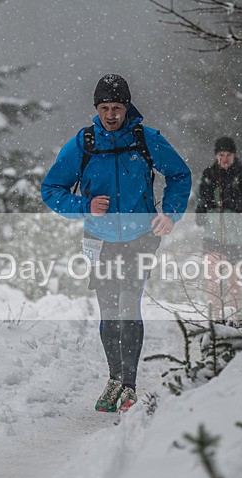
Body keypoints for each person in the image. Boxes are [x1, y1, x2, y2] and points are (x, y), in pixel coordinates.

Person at [41, 74, 191, 413]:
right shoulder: (85, 143)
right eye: (105, 108)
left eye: (117, 108)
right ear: (97, 109)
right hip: (100, 239)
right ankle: (114, 379)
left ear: (127, 107)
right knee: (109, 310)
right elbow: (51, 189)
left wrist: (170, 214)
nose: (111, 115)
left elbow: (179, 174)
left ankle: (130, 385)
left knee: (128, 305)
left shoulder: (145, 139)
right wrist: (85, 206)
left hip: (141, 238)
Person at [195, 136, 242, 321]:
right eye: (221, 155)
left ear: (234, 155)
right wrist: (201, 211)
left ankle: (235, 320)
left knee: (234, 283)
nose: (224, 159)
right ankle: (214, 320)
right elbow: (198, 198)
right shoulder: (208, 175)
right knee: (212, 280)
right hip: (212, 235)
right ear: (216, 155)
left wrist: (239, 205)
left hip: (238, 237)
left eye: (228, 155)